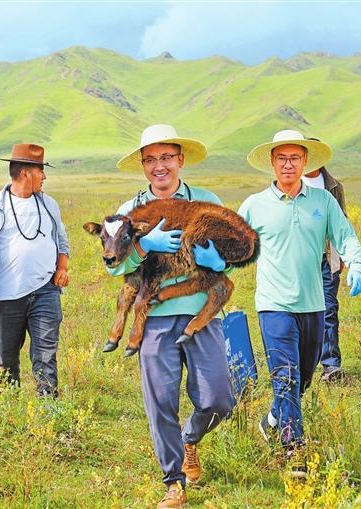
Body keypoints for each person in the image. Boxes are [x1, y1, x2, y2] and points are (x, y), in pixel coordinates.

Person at [107, 124, 236, 508]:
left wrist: (219, 260)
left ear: (180, 159)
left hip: (201, 315)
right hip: (153, 319)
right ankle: (174, 483)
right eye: (151, 160)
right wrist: (143, 246)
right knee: (160, 401)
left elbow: (233, 251)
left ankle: (189, 438)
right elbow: (115, 267)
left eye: (166, 157)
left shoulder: (207, 200)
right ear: (143, 165)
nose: (159, 166)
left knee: (218, 400)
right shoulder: (129, 211)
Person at [238, 130, 361, 477]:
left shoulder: (323, 202)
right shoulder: (254, 205)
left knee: (303, 380)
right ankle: (294, 449)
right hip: (273, 304)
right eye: (281, 158)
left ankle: (271, 421)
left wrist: (357, 263)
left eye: (294, 158)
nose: (288, 164)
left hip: (313, 305)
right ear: (272, 162)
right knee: (286, 377)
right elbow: (231, 245)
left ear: (305, 161)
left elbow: (346, 236)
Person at [0, 143, 70, 398]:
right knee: (7, 358)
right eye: (40, 171)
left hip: (45, 290)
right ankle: (9, 408)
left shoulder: (49, 205)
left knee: (46, 354)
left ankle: (49, 409)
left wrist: (62, 268)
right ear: (25, 173)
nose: (44, 176)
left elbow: (62, 242)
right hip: (6, 294)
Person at [301, 139, 349, 383]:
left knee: (328, 308)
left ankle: (331, 365)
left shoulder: (334, 186)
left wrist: (343, 254)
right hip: (300, 258)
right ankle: (301, 362)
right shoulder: (292, 184)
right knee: (300, 311)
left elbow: (342, 221)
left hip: (327, 258)